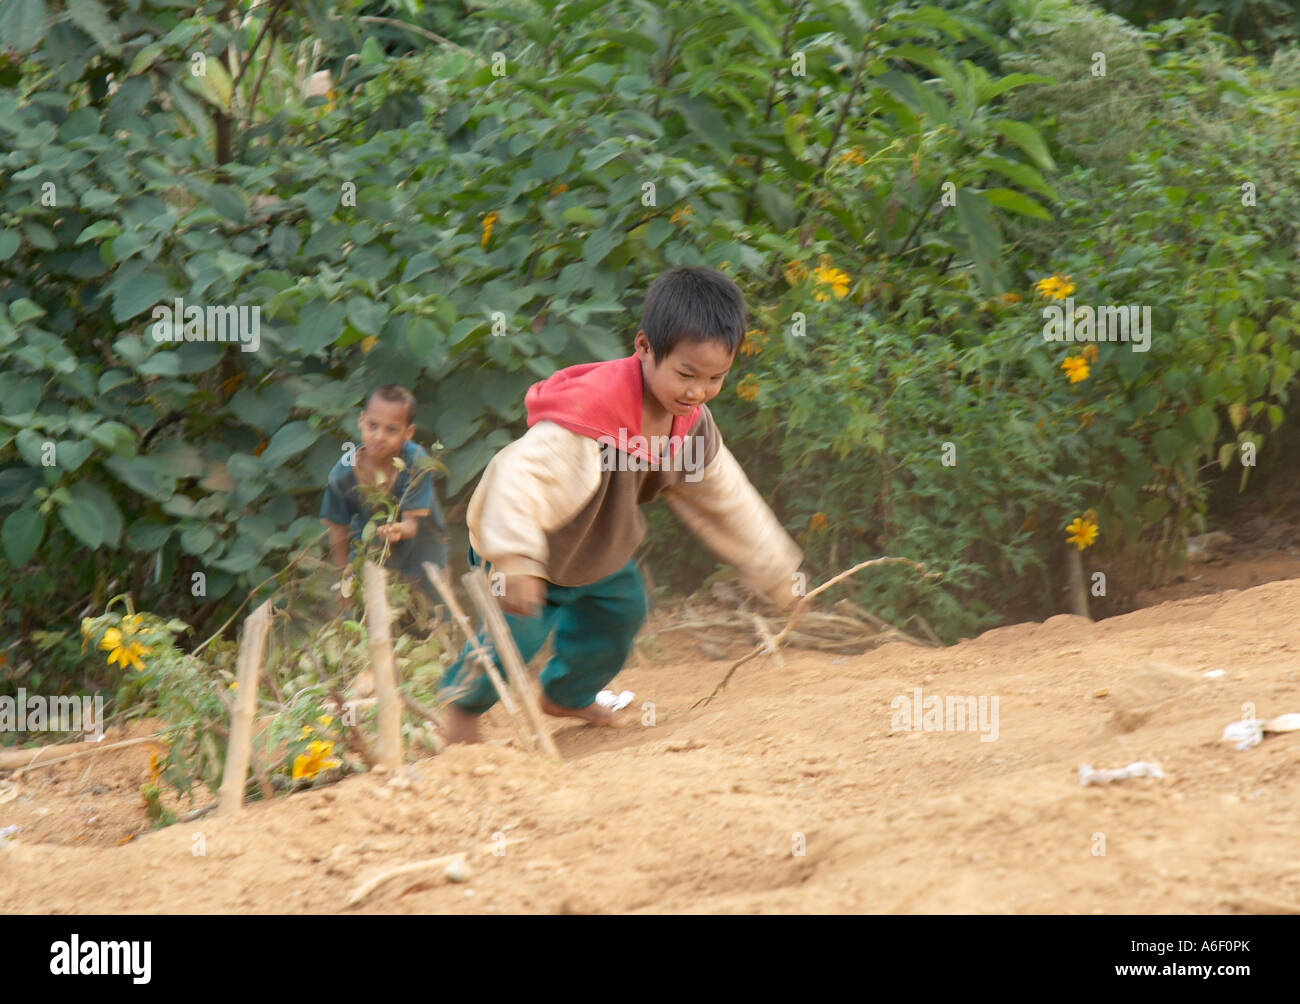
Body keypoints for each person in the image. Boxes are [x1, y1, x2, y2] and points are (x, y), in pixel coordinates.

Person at [440, 266, 802, 743]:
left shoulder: (690, 425)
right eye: (687, 374)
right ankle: (461, 709)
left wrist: (779, 574)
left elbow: (727, 499)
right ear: (644, 347)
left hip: (597, 549)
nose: (698, 392)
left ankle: (568, 693)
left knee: (621, 611)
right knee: (517, 638)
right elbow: (515, 474)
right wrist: (516, 559)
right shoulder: (590, 409)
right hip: (529, 543)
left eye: (716, 378)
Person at [320, 384, 448, 609]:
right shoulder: (342, 475)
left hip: (423, 546)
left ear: (408, 433)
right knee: (366, 612)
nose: (379, 436)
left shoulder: (417, 462)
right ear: (361, 420)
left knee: (430, 608)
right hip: (370, 547)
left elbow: (411, 524)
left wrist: (398, 530)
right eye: (372, 425)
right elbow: (338, 533)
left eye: (391, 430)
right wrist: (344, 578)